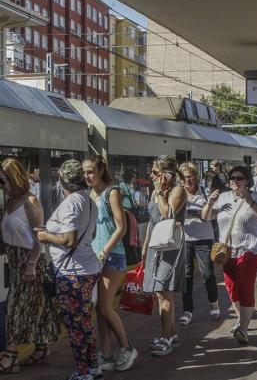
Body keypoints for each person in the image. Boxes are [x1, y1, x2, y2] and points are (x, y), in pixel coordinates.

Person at [0, 158, 58, 375]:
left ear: (15, 179)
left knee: (12, 307)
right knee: (35, 307)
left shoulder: (31, 202)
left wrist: (31, 263)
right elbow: (9, 232)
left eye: (3, 181)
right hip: (14, 259)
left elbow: (39, 237)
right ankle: (42, 349)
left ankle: (10, 357)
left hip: (30, 261)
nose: (0, 186)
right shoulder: (12, 201)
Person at [35, 159, 100, 380]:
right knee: (85, 323)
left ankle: (83, 374)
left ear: (62, 180)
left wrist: (45, 236)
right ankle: (93, 368)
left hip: (72, 272)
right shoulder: (89, 201)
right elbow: (87, 236)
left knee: (75, 326)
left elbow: (70, 239)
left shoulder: (71, 202)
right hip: (86, 267)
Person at [202, 166, 257, 344]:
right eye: (232, 178)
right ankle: (242, 320)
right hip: (227, 252)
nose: (234, 181)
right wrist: (210, 203)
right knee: (231, 287)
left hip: (249, 250)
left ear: (247, 180)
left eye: (239, 178)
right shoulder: (223, 197)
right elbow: (206, 217)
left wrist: (250, 201)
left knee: (244, 286)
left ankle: (243, 327)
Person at [83, 156, 137, 372]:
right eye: (84, 172)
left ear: (101, 170)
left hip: (112, 256)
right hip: (94, 257)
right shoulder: (89, 195)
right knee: (99, 308)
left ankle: (127, 347)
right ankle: (105, 353)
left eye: (90, 172)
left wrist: (104, 251)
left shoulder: (111, 193)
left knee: (105, 306)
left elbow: (120, 227)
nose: (87, 176)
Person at [142, 155, 186, 357]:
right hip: (155, 246)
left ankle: (167, 337)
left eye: (156, 172)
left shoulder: (177, 191)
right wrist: (144, 245)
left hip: (170, 247)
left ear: (168, 174)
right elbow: (153, 221)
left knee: (163, 290)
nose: (152, 176)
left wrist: (160, 194)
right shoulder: (155, 192)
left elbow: (167, 214)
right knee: (159, 292)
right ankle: (171, 334)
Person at [178, 162, 219, 326]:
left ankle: (214, 302)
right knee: (186, 275)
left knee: (207, 273)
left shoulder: (205, 192)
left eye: (191, 176)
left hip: (204, 238)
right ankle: (187, 310)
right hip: (185, 239)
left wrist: (208, 205)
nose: (188, 180)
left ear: (196, 176)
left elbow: (210, 216)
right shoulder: (178, 194)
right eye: (184, 177)